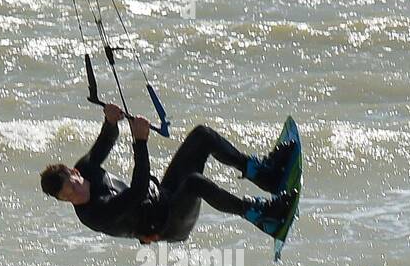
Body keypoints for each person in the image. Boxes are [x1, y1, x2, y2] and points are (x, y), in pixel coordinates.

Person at [39, 104, 295, 244]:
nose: (75, 196)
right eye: (67, 198)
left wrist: (110, 120)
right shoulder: (93, 214)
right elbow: (137, 192)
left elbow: (106, 140)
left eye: (72, 187)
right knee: (194, 183)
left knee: (202, 135)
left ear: (75, 173)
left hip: (163, 195)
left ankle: (263, 174)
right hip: (168, 225)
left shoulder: (86, 167)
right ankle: (262, 216)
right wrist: (140, 142)